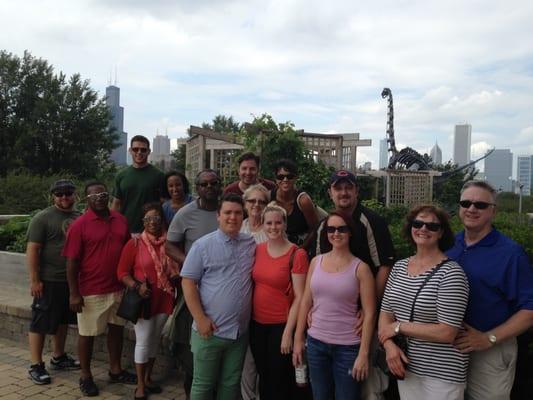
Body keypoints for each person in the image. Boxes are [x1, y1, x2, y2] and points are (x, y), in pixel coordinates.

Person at [312, 170, 395, 400]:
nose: (344, 192)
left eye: (348, 187)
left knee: (367, 387)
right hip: (328, 324)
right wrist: (312, 307)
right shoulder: (324, 226)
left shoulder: (372, 222)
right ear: (330, 193)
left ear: (357, 190)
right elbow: (316, 269)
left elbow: (385, 267)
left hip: (360, 322)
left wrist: (368, 309)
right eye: (338, 188)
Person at [447, 180, 533, 400]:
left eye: (480, 205)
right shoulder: (449, 246)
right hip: (448, 349)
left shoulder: (510, 253)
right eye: (466, 203)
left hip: (490, 351)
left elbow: (529, 310)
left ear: (493, 211)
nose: (472, 209)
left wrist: (489, 338)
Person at [378, 205, 469, 400]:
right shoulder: (399, 267)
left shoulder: (451, 273)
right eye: (418, 223)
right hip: (407, 367)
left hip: (442, 374)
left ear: (441, 232)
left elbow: (447, 332)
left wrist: (399, 327)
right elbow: (385, 314)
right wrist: (389, 346)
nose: (423, 229)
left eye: (432, 226)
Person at [181, 193, 256, 400]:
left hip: (239, 334)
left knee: (230, 385)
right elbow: (188, 282)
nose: (233, 217)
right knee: (203, 385)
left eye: (238, 213)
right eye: (228, 212)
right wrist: (200, 319)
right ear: (218, 215)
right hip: (209, 332)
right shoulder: (202, 246)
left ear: (244, 216)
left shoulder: (250, 244)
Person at [293, 212, 376, 400]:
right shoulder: (316, 262)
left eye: (342, 229)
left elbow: (370, 314)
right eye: (331, 229)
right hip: (316, 343)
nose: (336, 233)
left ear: (350, 232)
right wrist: (298, 338)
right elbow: (306, 301)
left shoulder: (361, 268)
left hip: (347, 348)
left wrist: (363, 354)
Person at [63, 181, 135, 397]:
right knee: (87, 334)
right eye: (95, 195)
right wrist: (74, 293)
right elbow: (71, 262)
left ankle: (115, 369)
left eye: (103, 194)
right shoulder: (80, 225)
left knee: (116, 329)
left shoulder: (120, 220)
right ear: (87, 199)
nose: (100, 197)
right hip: (91, 290)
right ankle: (85, 375)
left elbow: (129, 251)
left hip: (118, 288)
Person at [165, 169, 222, 399]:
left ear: (220, 185)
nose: (209, 188)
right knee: (193, 353)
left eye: (213, 183)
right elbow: (169, 246)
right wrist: (191, 263)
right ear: (196, 188)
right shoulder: (185, 213)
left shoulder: (227, 211)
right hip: (194, 291)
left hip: (223, 292)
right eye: (203, 184)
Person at [118, 202, 180, 400]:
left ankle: (148, 377)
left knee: (154, 338)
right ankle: (140, 384)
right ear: (143, 221)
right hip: (144, 299)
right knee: (143, 340)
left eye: (156, 218)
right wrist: (137, 286)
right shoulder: (135, 243)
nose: (152, 223)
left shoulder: (169, 243)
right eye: (148, 219)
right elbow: (121, 273)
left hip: (165, 297)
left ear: (162, 220)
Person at [26, 179, 81, 385]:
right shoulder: (43, 218)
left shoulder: (79, 217)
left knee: (63, 319)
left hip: (71, 281)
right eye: (59, 194)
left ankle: (58, 357)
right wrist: (35, 280)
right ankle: (35, 365)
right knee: (40, 322)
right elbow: (32, 249)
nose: (64, 197)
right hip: (48, 280)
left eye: (68, 193)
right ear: (53, 196)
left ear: (75, 194)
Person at [251, 204, 308, 400]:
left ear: (285, 224)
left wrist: (288, 333)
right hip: (257, 324)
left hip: (281, 324)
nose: (273, 227)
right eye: (269, 223)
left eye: (278, 222)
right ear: (262, 225)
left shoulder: (296, 254)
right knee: (264, 375)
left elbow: (300, 297)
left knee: (280, 379)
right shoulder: (257, 249)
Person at [240, 183, 270, 400]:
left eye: (262, 201)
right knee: (244, 362)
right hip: (239, 301)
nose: (256, 205)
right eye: (252, 201)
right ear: (245, 203)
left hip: (262, 303)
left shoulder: (272, 231)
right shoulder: (236, 227)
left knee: (259, 358)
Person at [112, 135, 165, 233]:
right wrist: (114, 227)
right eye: (135, 149)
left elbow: (164, 204)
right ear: (130, 150)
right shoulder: (121, 176)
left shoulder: (159, 175)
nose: (139, 152)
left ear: (148, 151)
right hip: (126, 230)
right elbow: (116, 204)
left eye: (143, 150)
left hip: (151, 230)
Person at [271, 159, 318, 250]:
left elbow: (314, 229)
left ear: (296, 177)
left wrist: (300, 249)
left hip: (301, 246)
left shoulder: (303, 201)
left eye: (290, 176)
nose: (285, 180)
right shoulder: (270, 197)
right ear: (275, 179)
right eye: (280, 177)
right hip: (276, 246)